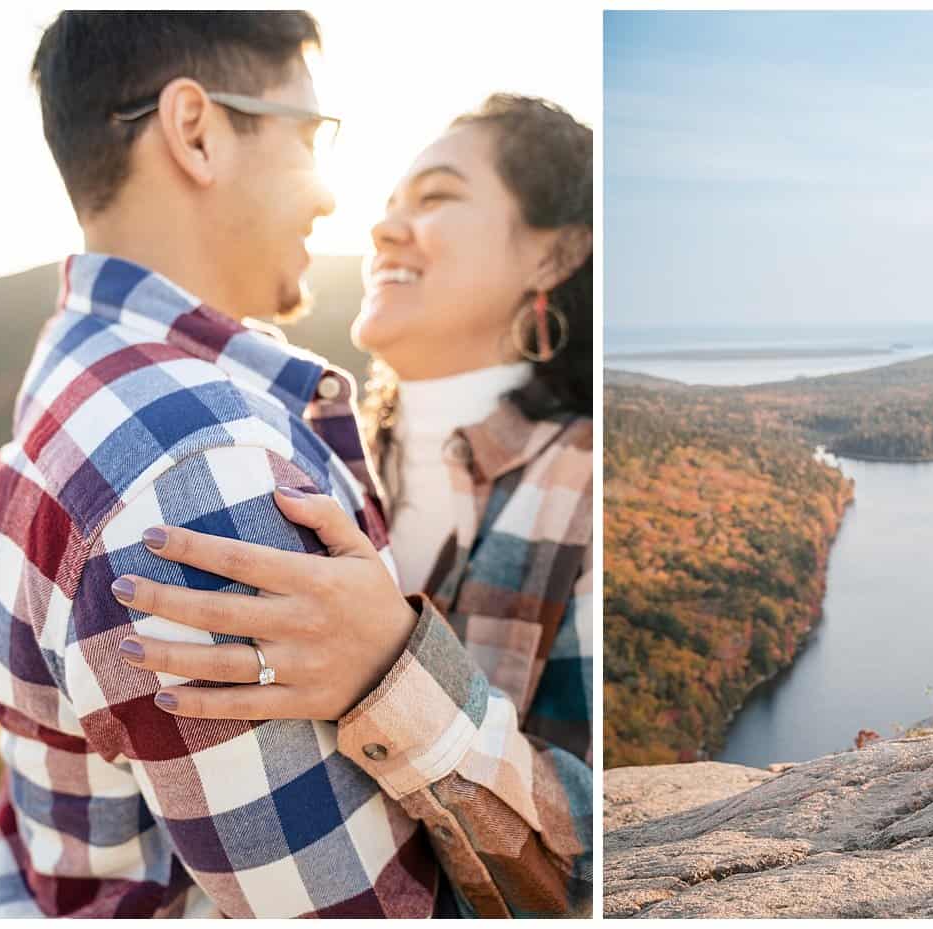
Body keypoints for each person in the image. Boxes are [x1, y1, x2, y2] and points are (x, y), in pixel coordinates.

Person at [114, 95, 596, 913]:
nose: (383, 231)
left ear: (555, 255)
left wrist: (393, 666)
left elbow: (601, 859)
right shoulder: (307, 451)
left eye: (437, 197)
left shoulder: (583, 487)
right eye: (388, 206)